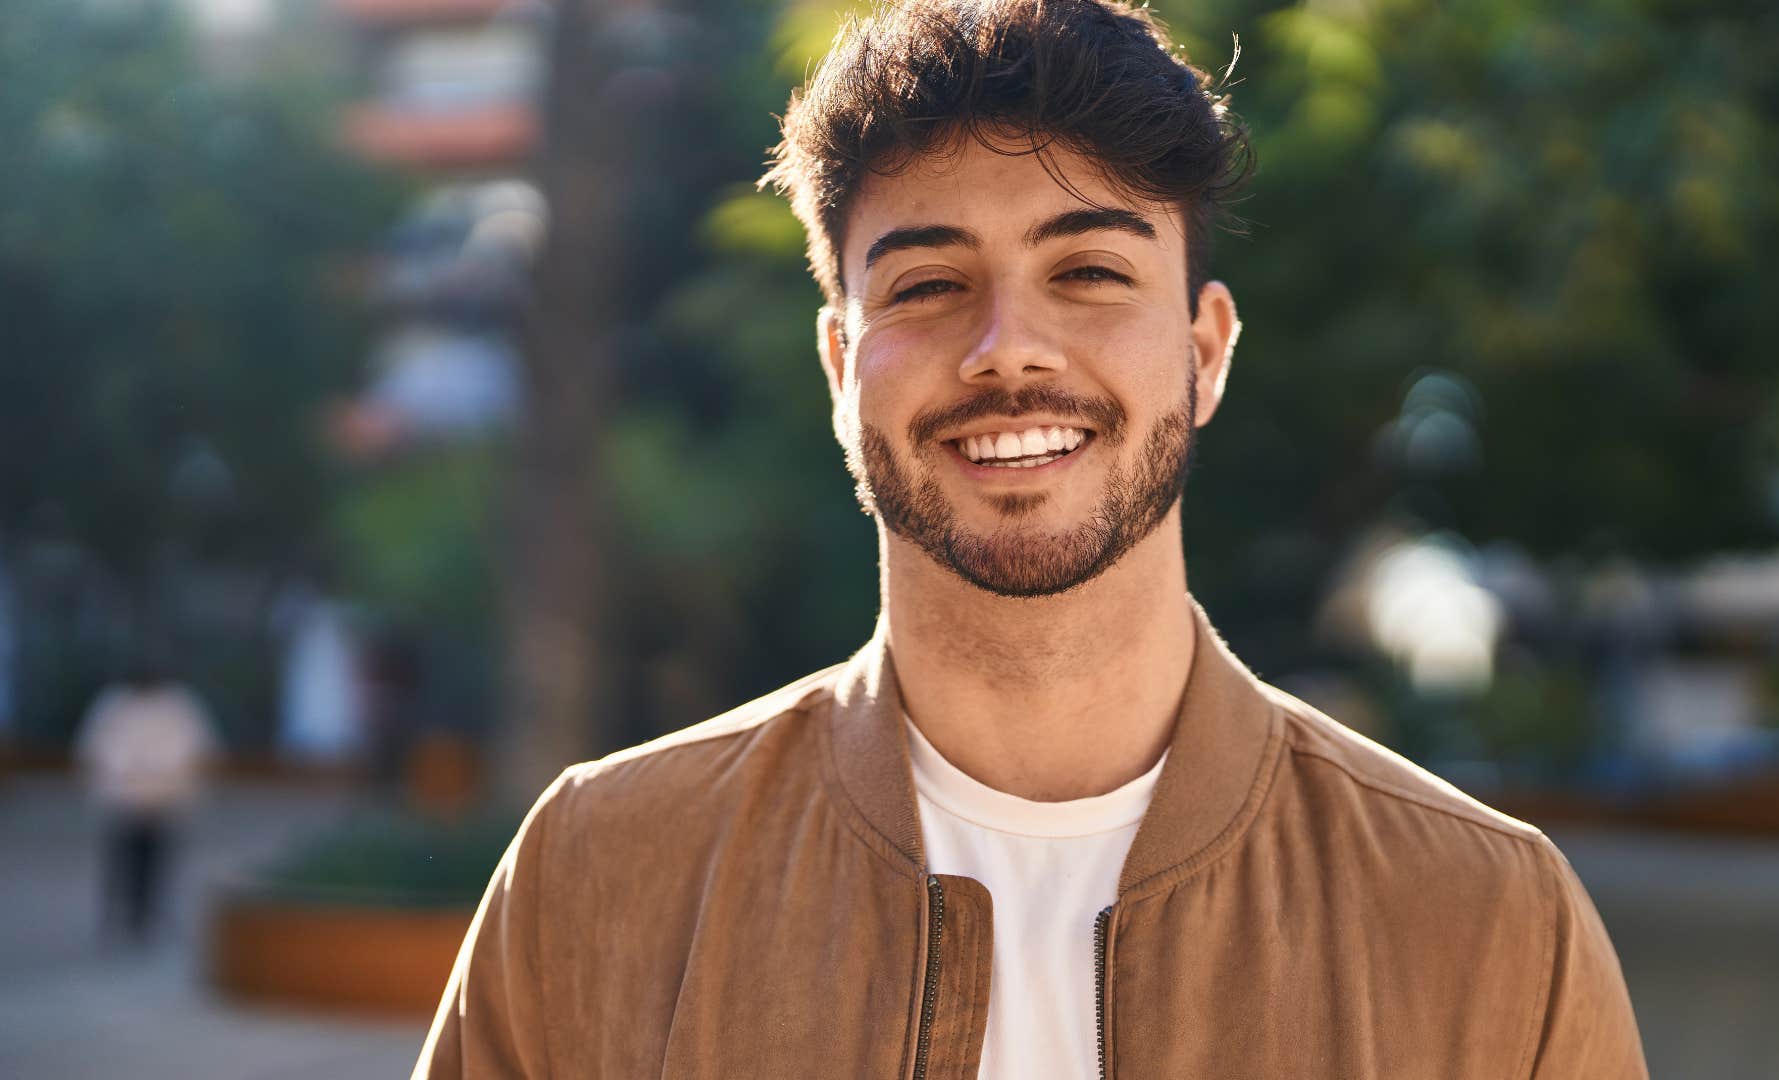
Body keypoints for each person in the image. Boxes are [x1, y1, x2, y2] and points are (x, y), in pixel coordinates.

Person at [419, 2, 1647, 1076]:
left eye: (1092, 273)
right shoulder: (601, 878)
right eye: (926, 283)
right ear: (842, 363)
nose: (1010, 347)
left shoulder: (1488, 922)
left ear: (1205, 350)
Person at [74, 658, 221, 945]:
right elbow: (98, 750)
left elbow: (197, 749)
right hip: (125, 798)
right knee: (122, 860)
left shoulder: (179, 706)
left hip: (166, 797)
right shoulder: (114, 705)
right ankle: (120, 914)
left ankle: (152, 914)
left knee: (158, 860)